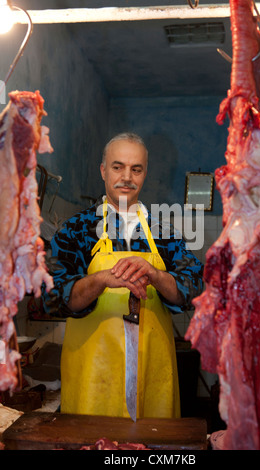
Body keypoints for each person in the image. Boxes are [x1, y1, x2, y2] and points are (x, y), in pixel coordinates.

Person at [42, 132, 204, 419]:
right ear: (104, 171)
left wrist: (156, 275)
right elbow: (53, 297)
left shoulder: (164, 233)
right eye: (118, 167)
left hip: (153, 373)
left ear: (144, 174)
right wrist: (102, 280)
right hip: (93, 374)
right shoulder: (76, 230)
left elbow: (193, 289)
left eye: (136, 169)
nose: (126, 176)